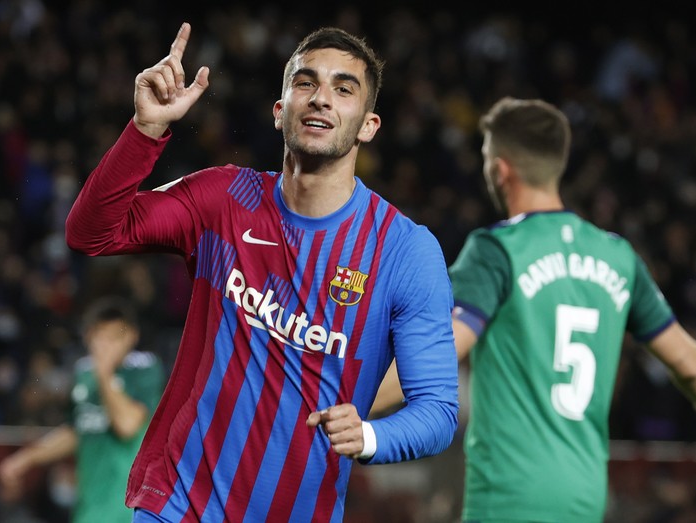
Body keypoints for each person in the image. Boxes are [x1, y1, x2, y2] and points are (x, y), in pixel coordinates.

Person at [64, 23, 459, 522]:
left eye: (343, 89)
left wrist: (372, 435)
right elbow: (92, 233)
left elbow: (438, 410)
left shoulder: (404, 251)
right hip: (178, 504)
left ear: (368, 125)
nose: (320, 99)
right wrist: (146, 131)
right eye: (305, 82)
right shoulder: (223, 198)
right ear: (280, 111)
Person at [371, 96, 696, 522]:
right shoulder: (617, 256)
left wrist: (354, 405)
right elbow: (689, 362)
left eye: (488, 157)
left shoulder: (497, 250)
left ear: (501, 168)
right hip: (584, 499)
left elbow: (439, 354)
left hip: (508, 497)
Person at [0, 297, 165, 523]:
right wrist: (27, 458)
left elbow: (127, 426)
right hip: (89, 510)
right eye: (100, 336)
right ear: (88, 336)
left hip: (130, 512)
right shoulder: (84, 374)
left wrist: (105, 373)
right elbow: (77, 430)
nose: (106, 346)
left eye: (115, 337)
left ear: (132, 337)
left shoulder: (144, 369)